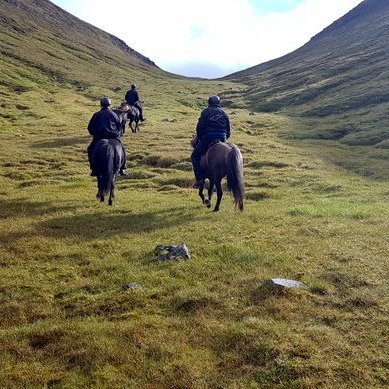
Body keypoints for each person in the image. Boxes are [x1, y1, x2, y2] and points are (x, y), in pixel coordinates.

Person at [191, 95, 231, 188]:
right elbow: (228, 129)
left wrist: (200, 137)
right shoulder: (224, 113)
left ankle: (200, 179)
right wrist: (225, 138)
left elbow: (200, 126)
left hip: (209, 136)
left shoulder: (206, 111)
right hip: (222, 137)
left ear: (209, 103)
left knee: (195, 156)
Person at [87, 96, 127, 176]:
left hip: (99, 137)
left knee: (90, 149)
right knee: (122, 148)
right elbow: (119, 126)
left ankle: (93, 169)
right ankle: (122, 168)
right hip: (113, 137)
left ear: (101, 105)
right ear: (110, 105)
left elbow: (90, 128)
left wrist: (94, 133)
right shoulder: (114, 114)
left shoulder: (96, 115)